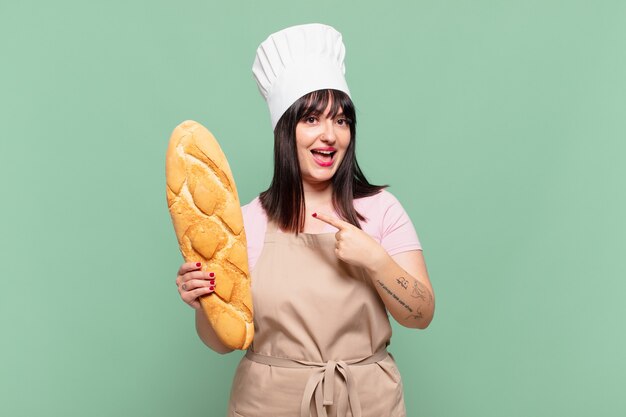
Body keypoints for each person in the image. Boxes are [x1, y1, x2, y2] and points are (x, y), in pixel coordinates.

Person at [175, 23, 435, 417]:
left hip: (365, 403)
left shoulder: (381, 209)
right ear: (285, 131)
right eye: (312, 119)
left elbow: (421, 315)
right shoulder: (246, 222)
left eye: (341, 120)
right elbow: (222, 342)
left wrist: (376, 260)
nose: (330, 135)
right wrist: (203, 302)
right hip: (268, 403)